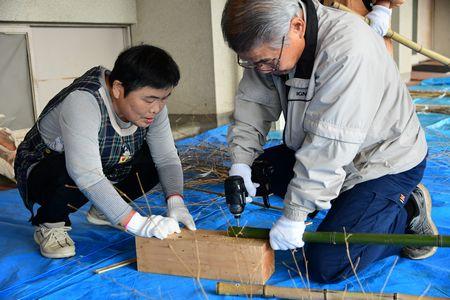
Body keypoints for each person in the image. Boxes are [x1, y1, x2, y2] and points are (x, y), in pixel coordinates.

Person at [221, 0, 437, 283]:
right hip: (329, 151)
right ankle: (349, 206)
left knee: (327, 263)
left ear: (297, 27)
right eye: (250, 62)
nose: (260, 68)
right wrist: (240, 164)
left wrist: (294, 216)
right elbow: (253, 105)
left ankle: (406, 214)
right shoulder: (272, 43)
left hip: (381, 162)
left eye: (265, 61)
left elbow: (329, 148)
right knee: (262, 170)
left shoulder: (348, 50)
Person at [15, 45, 196, 259]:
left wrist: (176, 201)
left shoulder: (153, 107)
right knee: (70, 171)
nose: (156, 108)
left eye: (164, 98)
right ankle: (51, 222)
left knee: (153, 162)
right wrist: (136, 223)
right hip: (45, 168)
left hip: (104, 159)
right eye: (149, 99)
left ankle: (105, 209)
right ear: (118, 89)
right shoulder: (83, 101)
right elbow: (86, 173)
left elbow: (166, 158)